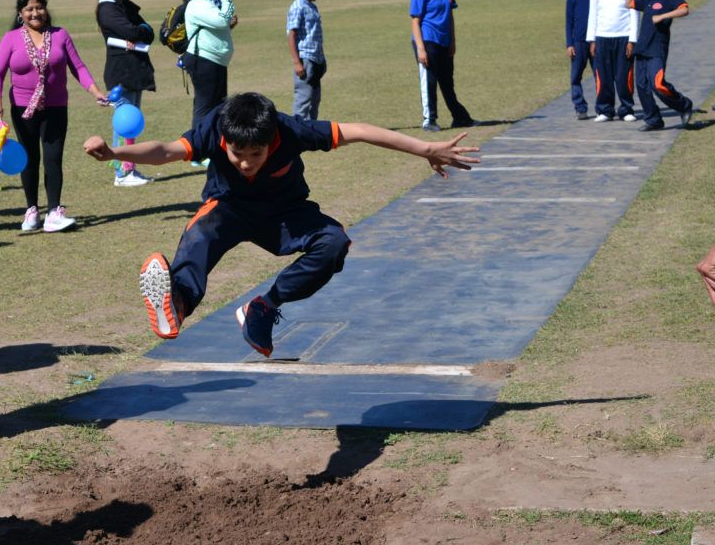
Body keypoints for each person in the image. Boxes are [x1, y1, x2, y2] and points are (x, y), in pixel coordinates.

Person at [83, 92, 480, 357]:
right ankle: (178, 302)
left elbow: (358, 131)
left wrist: (426, 148)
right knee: (200, 233)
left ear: (271, 138)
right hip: (230, 208)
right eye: (238, 154)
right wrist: (115, 152)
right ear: (226, 140)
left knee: (334, 243)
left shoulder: (290, 129)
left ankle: (263, 307)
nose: (245, 161)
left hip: (285, 213)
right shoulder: (215, 126)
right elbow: (168, 150)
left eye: (255, 154)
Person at [0, 0, 108, 233]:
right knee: (29, 159)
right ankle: (31, 211)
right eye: (29, 9)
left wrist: (95, 91)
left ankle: (54, 212)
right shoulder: (11, 38)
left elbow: (78, 67)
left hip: (55, 107)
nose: (36, 13)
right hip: (23, 109)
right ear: (20, 13)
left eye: (39, 7)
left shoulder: (60, 35)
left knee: (53, 158)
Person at [97, 0, 156, 188]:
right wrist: (140, 30)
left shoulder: (122, 6)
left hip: (132, 71)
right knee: (123, 123)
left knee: (132, 123)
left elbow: (149, 32)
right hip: (120, 73)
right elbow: (135, 32)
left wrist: (141, 30)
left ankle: (129, 168)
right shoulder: (107, 9)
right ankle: (121, 173)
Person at [409, 0, 476, 132]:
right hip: (427, 41)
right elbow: (415, 22)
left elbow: (450, 17)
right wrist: (421, 49)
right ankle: (429, 120)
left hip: (444, 42)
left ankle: (460, 117)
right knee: (429, 82)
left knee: (447, 82)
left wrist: (452, 41)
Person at [625, 0, 693, 132]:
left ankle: (684, 105)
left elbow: (684, 9)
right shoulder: (647, 0)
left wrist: (663, 16)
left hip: (657, 49)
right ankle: (654, 120)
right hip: (641, 49)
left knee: (658, 84)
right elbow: (629, 4)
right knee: (642, 86)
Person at [183, 0, 235, 138]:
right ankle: (198, 149)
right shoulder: (198, 3)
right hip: (203, 60)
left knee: (218, 105)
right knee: (204, 107)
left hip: (214, 61)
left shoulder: (208, 2)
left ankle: (212, 144)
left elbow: (223, 21)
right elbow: (222, 20)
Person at [586, 0, 637, 122]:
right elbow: (593, 16)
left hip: (623, 38)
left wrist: (632, 40)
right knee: (604, 76)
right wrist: (592, 40)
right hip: (602, 39)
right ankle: (605, 110)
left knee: (623, 76)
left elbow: (634, 15)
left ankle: (626, 109)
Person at [286, 0, 325, 120]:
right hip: (305, 59)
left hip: (315, 58)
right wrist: (297, 63)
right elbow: (291, 35)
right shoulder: (298, 7)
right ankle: (297, 134)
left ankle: (311, 134)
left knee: (314, 100)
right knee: (303, 101)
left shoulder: (312, 6)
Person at [566, 0, 596, 120]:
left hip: (597, 42)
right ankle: (580, 107)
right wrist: (569, 44)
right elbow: (568, 21)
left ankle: (603, 107)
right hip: (578, 42)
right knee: (576, 76)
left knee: (601, 75)